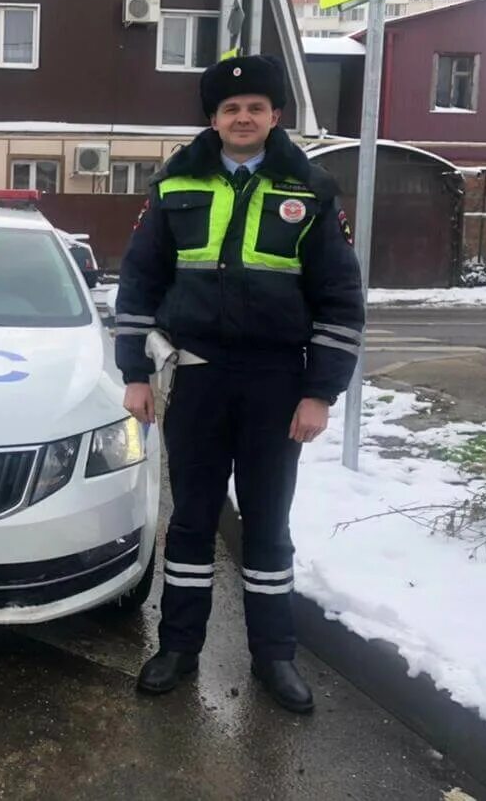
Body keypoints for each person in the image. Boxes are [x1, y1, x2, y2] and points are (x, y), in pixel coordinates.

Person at [115, 55, 364, 713]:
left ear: (275, 115)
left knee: (267, 525)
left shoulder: (311, 190)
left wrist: (320, 393)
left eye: (256, 106)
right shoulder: (174, 186)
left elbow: (340, 302)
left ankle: (274, 657)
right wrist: (135, 374)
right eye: (230, 109)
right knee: (192, 520)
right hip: (195, 378)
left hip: (277, 384)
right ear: (213, 119)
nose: (243, 117)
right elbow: (139, 285)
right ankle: (178, 647)